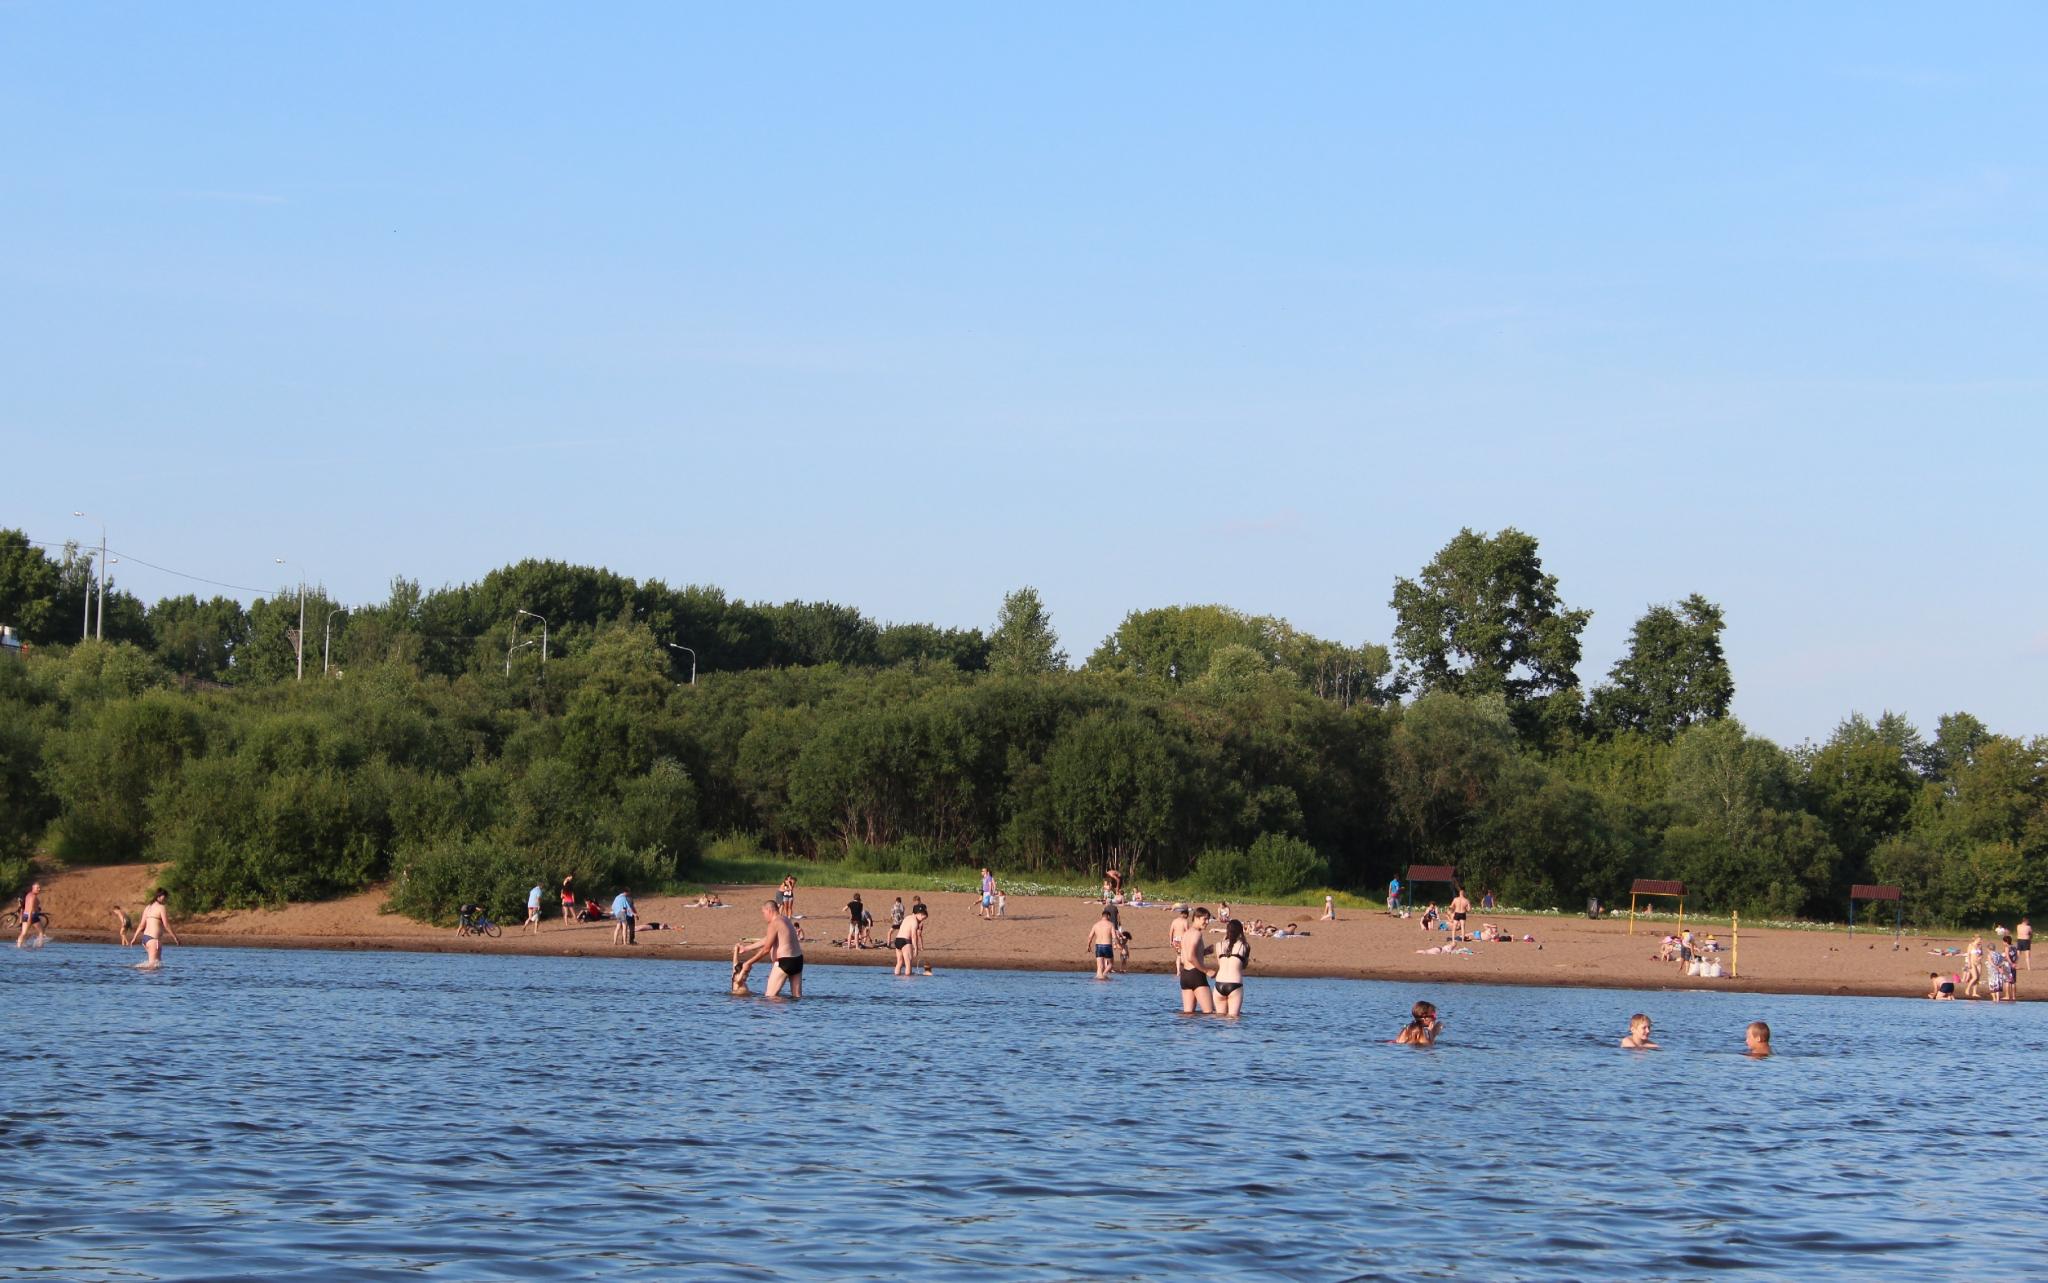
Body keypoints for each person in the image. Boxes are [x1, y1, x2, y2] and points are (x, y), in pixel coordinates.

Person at [733, 900, 804, 998]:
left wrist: (749, 962)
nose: (763, 916)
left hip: (784, 962)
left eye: (763, 913)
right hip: (798, 960)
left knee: (769, 997)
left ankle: (780, 1012)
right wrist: (746, 948)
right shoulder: (785, 919)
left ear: (769, 910)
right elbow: (768, 939)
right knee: (797, 998)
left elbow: (766, 949)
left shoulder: (774, 923)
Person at [1177, 907, 1216, 1014]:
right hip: (1196, 974)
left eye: (1208, 919)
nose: (1207, 922)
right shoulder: (1197, 934)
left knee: (1188, 1014)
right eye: (1205, 919)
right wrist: (1206, 971)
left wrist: (1204, 952)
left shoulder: (1186, 934)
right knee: (1209, 1012)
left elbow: (1185, 955)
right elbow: (1191, 957)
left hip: (1185, 975)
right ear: (1196, 918)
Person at [132, 889, 179, 970]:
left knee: (155, 965)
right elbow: (166, 925)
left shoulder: (148, 907)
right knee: (154, 967)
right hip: (154, 940)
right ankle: (150, 982)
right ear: (159, 896)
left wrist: (134, 938)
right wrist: (175, 937)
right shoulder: (161, 908)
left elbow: (141, 925)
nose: (166, 899)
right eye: (164, 897)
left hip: (145, 939)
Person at [1214, 918, 1251, 1016]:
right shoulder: (1244, 946)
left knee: (1219, 1019)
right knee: (1233, 1020)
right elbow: (1244, 966)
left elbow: (1220, 964)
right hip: (1234, 984)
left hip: (1219, 984)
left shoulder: (1219, 945)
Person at [14, 881, 47, 949]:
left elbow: (28, 905)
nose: (39, 889)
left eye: (39, 888)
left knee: (23, 933)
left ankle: (18, 946)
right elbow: (31, 908)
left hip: (25, 915)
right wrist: (29, 918)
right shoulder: (33, 897)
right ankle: (40, 946)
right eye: (37, 888)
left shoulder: (29, 894)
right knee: (42, 932)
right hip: (31, 915)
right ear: (33, 888)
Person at [1087, 910, 1118, 980]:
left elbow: (1090, 937)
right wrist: (1115, 944)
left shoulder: (1096, 925)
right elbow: (1114, 936)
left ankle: (1098, 979)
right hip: (1107, 945)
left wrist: (1088, 946)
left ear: (1102, 916)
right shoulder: (1110, 924)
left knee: (1100, 966)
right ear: (1108, 916)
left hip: (1098, 946)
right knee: (1110, 964)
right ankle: (1103, 975)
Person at [910, 898, 932, 974]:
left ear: (919, 900)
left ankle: (921, 946)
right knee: (915, 934)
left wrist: (922, 922)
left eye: (917, 901)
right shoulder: (914, 907)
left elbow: (924, 914)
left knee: (919, 934)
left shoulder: (923, 906)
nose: (916, 902)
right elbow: (913, 914)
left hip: (920, 922)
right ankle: (915, 946)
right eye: (915, 901)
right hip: (915, 922)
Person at [1168, 906, 1190, 974]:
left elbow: (1171, 932)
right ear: (1186, 915)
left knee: (1178, 955)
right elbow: (1187, 932)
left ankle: (1178, 971)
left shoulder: (1174, 921)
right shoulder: (1185, 921)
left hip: (1175, 939)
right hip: (1182, 939)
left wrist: (1170, 941)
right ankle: (1185, 969)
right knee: (1184, 955)